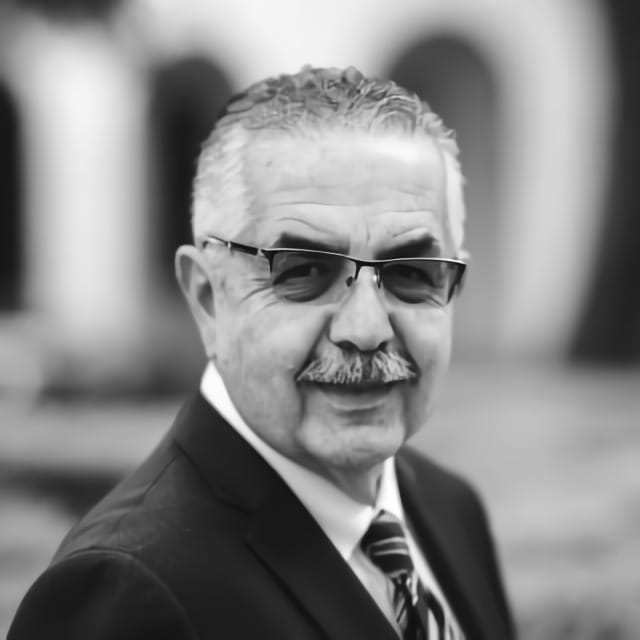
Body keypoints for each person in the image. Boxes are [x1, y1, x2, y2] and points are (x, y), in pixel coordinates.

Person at [9, 66, 514, 639]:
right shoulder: (125, 593)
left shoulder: (451, 510)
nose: (367, 329)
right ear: (207, 297)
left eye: (410, 273)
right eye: (304, 272)